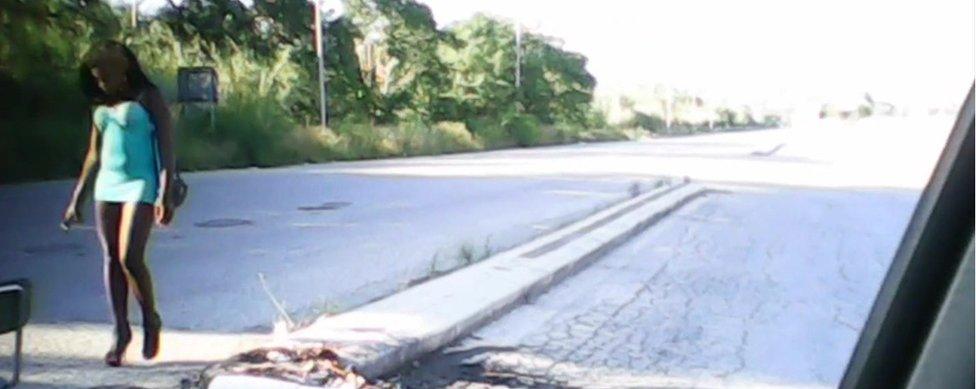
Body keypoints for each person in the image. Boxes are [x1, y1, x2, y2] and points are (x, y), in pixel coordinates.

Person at [62, 41, 176, 367]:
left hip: (141, 184)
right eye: (96, 78)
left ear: (123, 67)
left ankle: (150, 320)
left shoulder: (148, 97)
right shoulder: (99, 105)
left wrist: (164, 192)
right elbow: (93, 155)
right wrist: (76, 200)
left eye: (106, 76)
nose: (102, 83)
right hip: (107, 186)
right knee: (111, 258)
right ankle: (121, 331)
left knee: (130, 256)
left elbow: (167, 146)